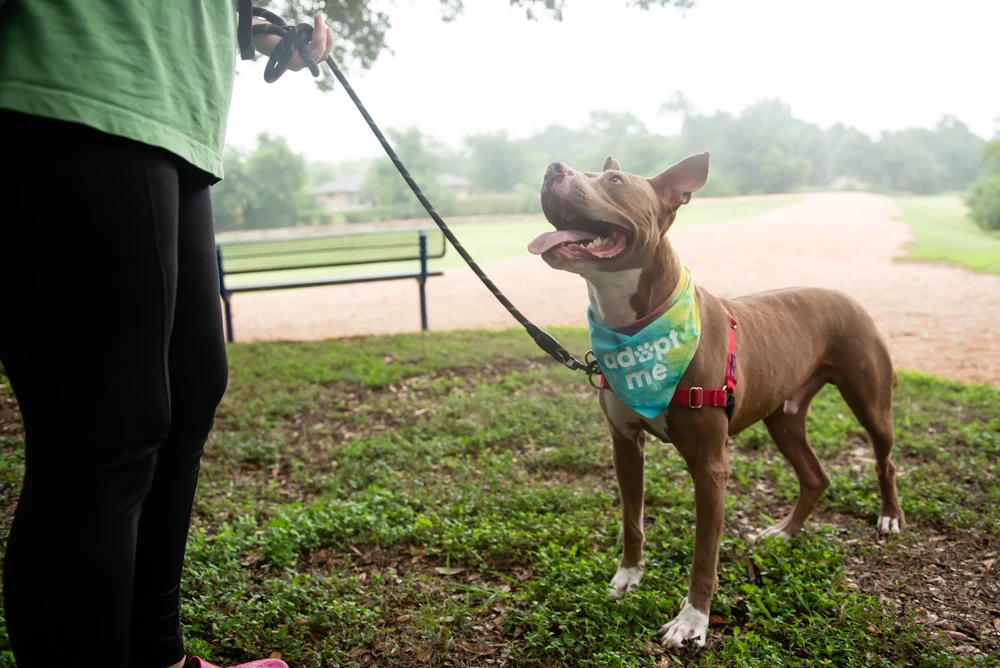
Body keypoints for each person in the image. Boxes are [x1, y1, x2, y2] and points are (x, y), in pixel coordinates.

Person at [0, 2, 334, 667]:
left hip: (177, 114)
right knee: (104, 434)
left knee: (188, 399)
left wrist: (258, 31)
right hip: (66, 85)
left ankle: (161, 659)